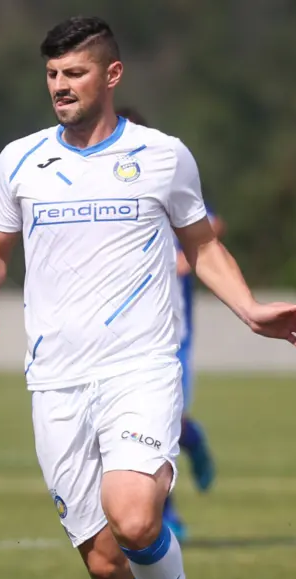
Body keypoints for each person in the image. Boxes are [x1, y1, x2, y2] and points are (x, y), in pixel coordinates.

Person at [0, 18, 296, 579]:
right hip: (56, 381)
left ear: (111, 77)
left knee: (138, 518)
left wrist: (249, 310)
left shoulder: (161, 157)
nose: (60, 86)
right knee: (102, 558)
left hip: (140, 367)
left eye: (75, 74)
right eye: (53, 75)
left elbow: (203, 245)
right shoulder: (19, 162)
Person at [116, 106, 219, 543]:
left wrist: (181, 256)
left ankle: (168, 505)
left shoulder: (161, 170)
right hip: (114, 337)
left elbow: (209, 223)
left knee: (160, 428)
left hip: (167, 333)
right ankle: (186, 448)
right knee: (131, 434)